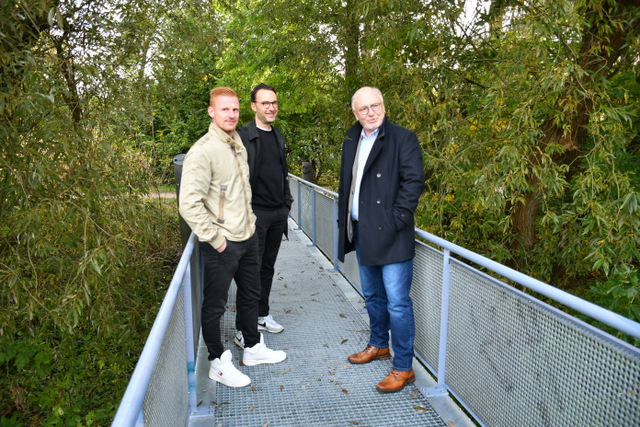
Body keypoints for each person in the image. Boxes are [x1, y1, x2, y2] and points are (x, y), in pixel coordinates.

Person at [179, 86, 286, 388]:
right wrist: (216, 239)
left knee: (251, 295)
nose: (231, 114)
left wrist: (250, 223)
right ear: (212, 112)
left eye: (235, 109)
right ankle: (217, 362)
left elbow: (242, 189)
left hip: (247, 235)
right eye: (224, 109)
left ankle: (252, 347)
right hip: (223, 243)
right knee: (215, 306)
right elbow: (189, 204)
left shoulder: (236, 140)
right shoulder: (202, 152)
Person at [337, 86, 425, 393]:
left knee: (398, 303)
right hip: (361, 232)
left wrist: (395, 220)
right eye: (364, 109)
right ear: (355, 114)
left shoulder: (403, 138)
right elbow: (346, 184)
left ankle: (403, 367)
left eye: (375, 106)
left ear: (384, 107)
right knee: (373, 296)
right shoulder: (352, 140)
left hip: (392, 235)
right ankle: (378, 344)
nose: (371, 112)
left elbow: (414, 183)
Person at [233, 83, 293, 348]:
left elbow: (282, 173)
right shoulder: (243, 135)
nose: (271, 107)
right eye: (265, 103)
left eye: (274, 103)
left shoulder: (278, 135)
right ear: (253, 106)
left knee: (267, 268)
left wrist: (286, 204)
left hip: (277, 213)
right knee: (249, 272)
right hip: (254, 214)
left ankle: (261, 314)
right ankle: (242, 330)